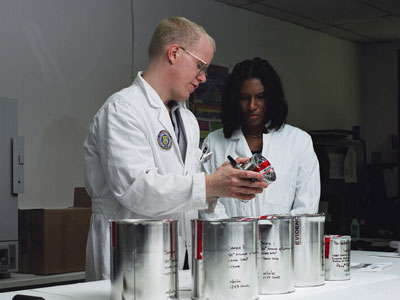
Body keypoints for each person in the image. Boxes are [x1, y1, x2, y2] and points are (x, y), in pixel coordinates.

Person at [83, 18, 268, 281]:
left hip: (177, 258)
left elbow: (185, 191)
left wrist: (222, 184)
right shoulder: (123, 109)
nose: (203, 78)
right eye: (200, 66)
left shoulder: (187, 120)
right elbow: (137, 189)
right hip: (130, 259)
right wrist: (209, 184)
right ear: (174, 53)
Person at [201, 57, 320, 218]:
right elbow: (207, 204)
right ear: (235, 99)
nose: (252, 106)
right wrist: (236, 236)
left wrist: (278, 238)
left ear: (272, 98)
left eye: (260, 96)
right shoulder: (214, 142)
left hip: (282, 241)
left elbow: (306, 207)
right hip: (230, 240)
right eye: (244, 97)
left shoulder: (298, 142)